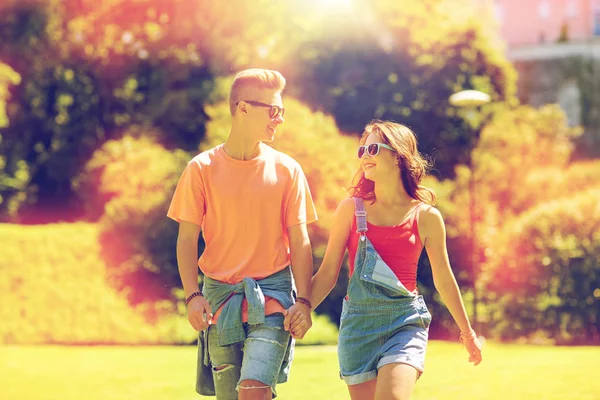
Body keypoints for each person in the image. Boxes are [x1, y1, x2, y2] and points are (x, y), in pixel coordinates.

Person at [286, 120, 482, 400]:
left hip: (405, 322)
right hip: (358, 326)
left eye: (374, 148)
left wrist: (467, 333)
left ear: (399, 155)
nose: (365, 155)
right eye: (362, 150)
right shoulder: (350, 211)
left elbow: (443, 277)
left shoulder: (426, 217)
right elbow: (328, 272)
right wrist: (303, 306)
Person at [167, 68, 317, 400]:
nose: (279, 119)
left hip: (273, 300)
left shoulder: (287, 170)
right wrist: (193, 296)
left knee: (253, 390)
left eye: (282, 112)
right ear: (243, 108)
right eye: (273, 110)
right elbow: (187, 239)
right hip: (220, 301)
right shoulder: (201, 169)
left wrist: (304, 302)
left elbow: (300, 241)